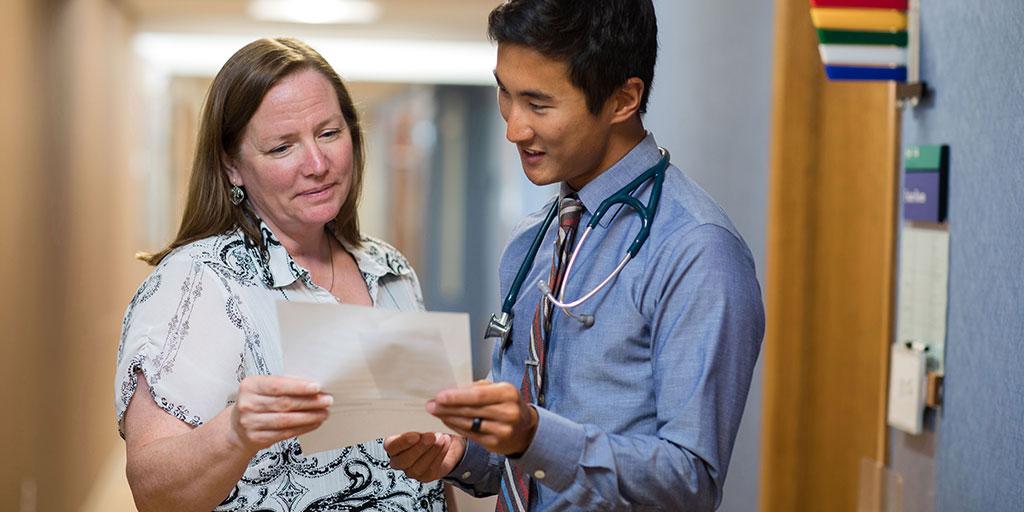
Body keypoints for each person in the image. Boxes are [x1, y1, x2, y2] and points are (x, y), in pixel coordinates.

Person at [385, 1, 765, 510]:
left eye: (538, 105)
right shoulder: (531, 242)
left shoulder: (696, 251)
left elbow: (689, 482)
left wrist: (534, 436)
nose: (514, 129)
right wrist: (462, 453)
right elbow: (520, 457)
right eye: (505, 93)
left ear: (623, 99)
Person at [114, 38, 447, 511]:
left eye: (329, 133)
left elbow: (426, 468)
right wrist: (234, 432)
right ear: (233, 167)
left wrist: (442, 448)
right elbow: (153, 492)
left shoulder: (389, 268)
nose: (317, 164)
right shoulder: (199, 282)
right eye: (281, 147)